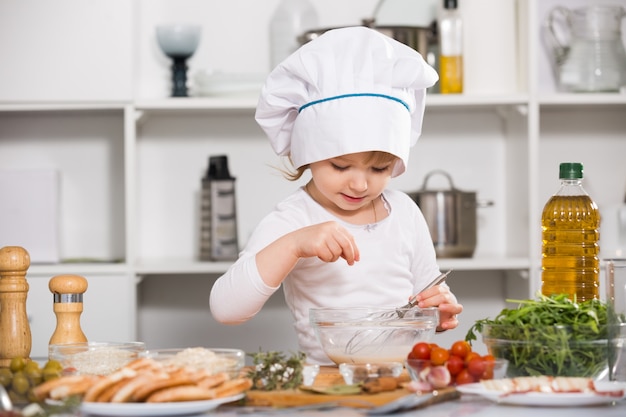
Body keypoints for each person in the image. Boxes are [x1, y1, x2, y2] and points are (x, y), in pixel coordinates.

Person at [210, 26, 463, 365]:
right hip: (329, 383)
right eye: (341, 166)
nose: (360, 185)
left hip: (404, 378)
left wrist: (438, 311)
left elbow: (425, 301)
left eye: (379, 169)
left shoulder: (404, 211)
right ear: (306, 153)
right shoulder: (295, 219)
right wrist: (294, 244)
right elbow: (226, 309)